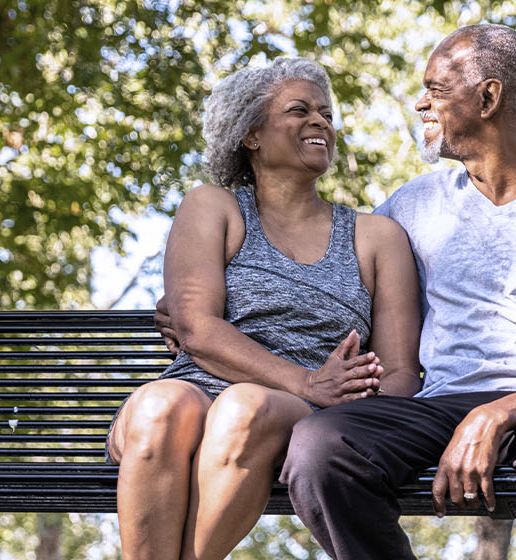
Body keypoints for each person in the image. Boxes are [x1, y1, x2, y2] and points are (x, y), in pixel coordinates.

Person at [275, 25, 516, 560]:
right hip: (438, 407)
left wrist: (494, 415)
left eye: (436, 89)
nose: (421, 104)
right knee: (321, 447)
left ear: (488, 97)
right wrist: (211, 301)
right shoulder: (411, 205)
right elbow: (321, 279)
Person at [107, 57, 423, 560]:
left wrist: (343, 404)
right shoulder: (215, 208)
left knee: (245, 406)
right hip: (203, 391)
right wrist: (304, 378)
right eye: (299, 110)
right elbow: (196, 328)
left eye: (325, 113)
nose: (320, 122)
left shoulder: (376, 237)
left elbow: (402, 370)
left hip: (302, 415)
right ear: (251, 134)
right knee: (159, 405)